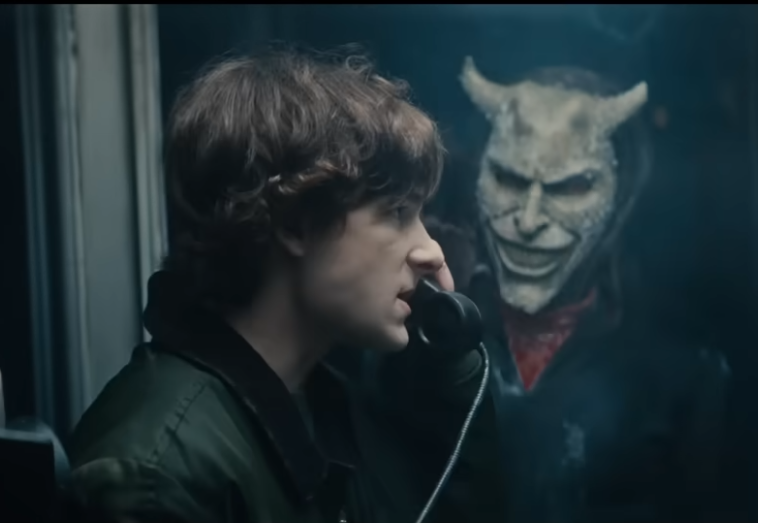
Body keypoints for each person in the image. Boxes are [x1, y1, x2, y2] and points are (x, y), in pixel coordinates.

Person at [67, 47, 504, 523]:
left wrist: (442, 373)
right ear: (297, 223)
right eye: (397, 212)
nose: (431, 251)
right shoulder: (155, 475)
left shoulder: (329, 408)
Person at [435, 57, 731, 522]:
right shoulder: (433, 339)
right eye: (508, 179)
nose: (528, 220)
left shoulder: (681, 365)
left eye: (569, 187)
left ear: (621, 196)